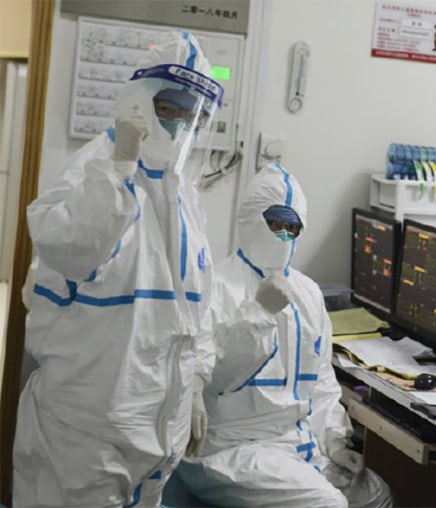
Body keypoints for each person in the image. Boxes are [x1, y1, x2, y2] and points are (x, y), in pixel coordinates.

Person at [13, 31, 222, 507]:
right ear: (141, 101)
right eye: (169, 108)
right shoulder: (95, 169)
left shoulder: (185, 198)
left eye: (194, 116)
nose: (180, 125)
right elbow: (73, 248)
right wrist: (121, 166)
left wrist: (196, 384)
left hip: (157, 427)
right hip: (86, 432)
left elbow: (197, 308)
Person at [176, 163, 392, 508]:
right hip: (231, 448)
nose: (283, 235)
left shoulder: (307, 292)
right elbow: (212, 379)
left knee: (377, 494)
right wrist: (258, 315)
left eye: (292, 227)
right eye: (274, 223)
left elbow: (320, 380)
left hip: (296, 444)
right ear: (249, 218)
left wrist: (335, 439)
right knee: (328, 505)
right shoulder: (213, 287)